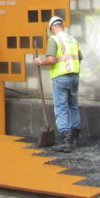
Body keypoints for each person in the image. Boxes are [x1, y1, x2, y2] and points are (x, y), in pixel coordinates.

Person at [34, 16, 82, 152]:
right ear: (62, 25)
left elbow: (52, 59)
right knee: (73, 106)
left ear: (53, 27)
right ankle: (75, 136)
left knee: (61, 108)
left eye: (51, 30)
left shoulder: (53, 39)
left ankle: (66, 141)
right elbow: (80, 58)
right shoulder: (73, 40)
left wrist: (40, 62)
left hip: (61, 77)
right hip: (74, 77)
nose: (51, 32)